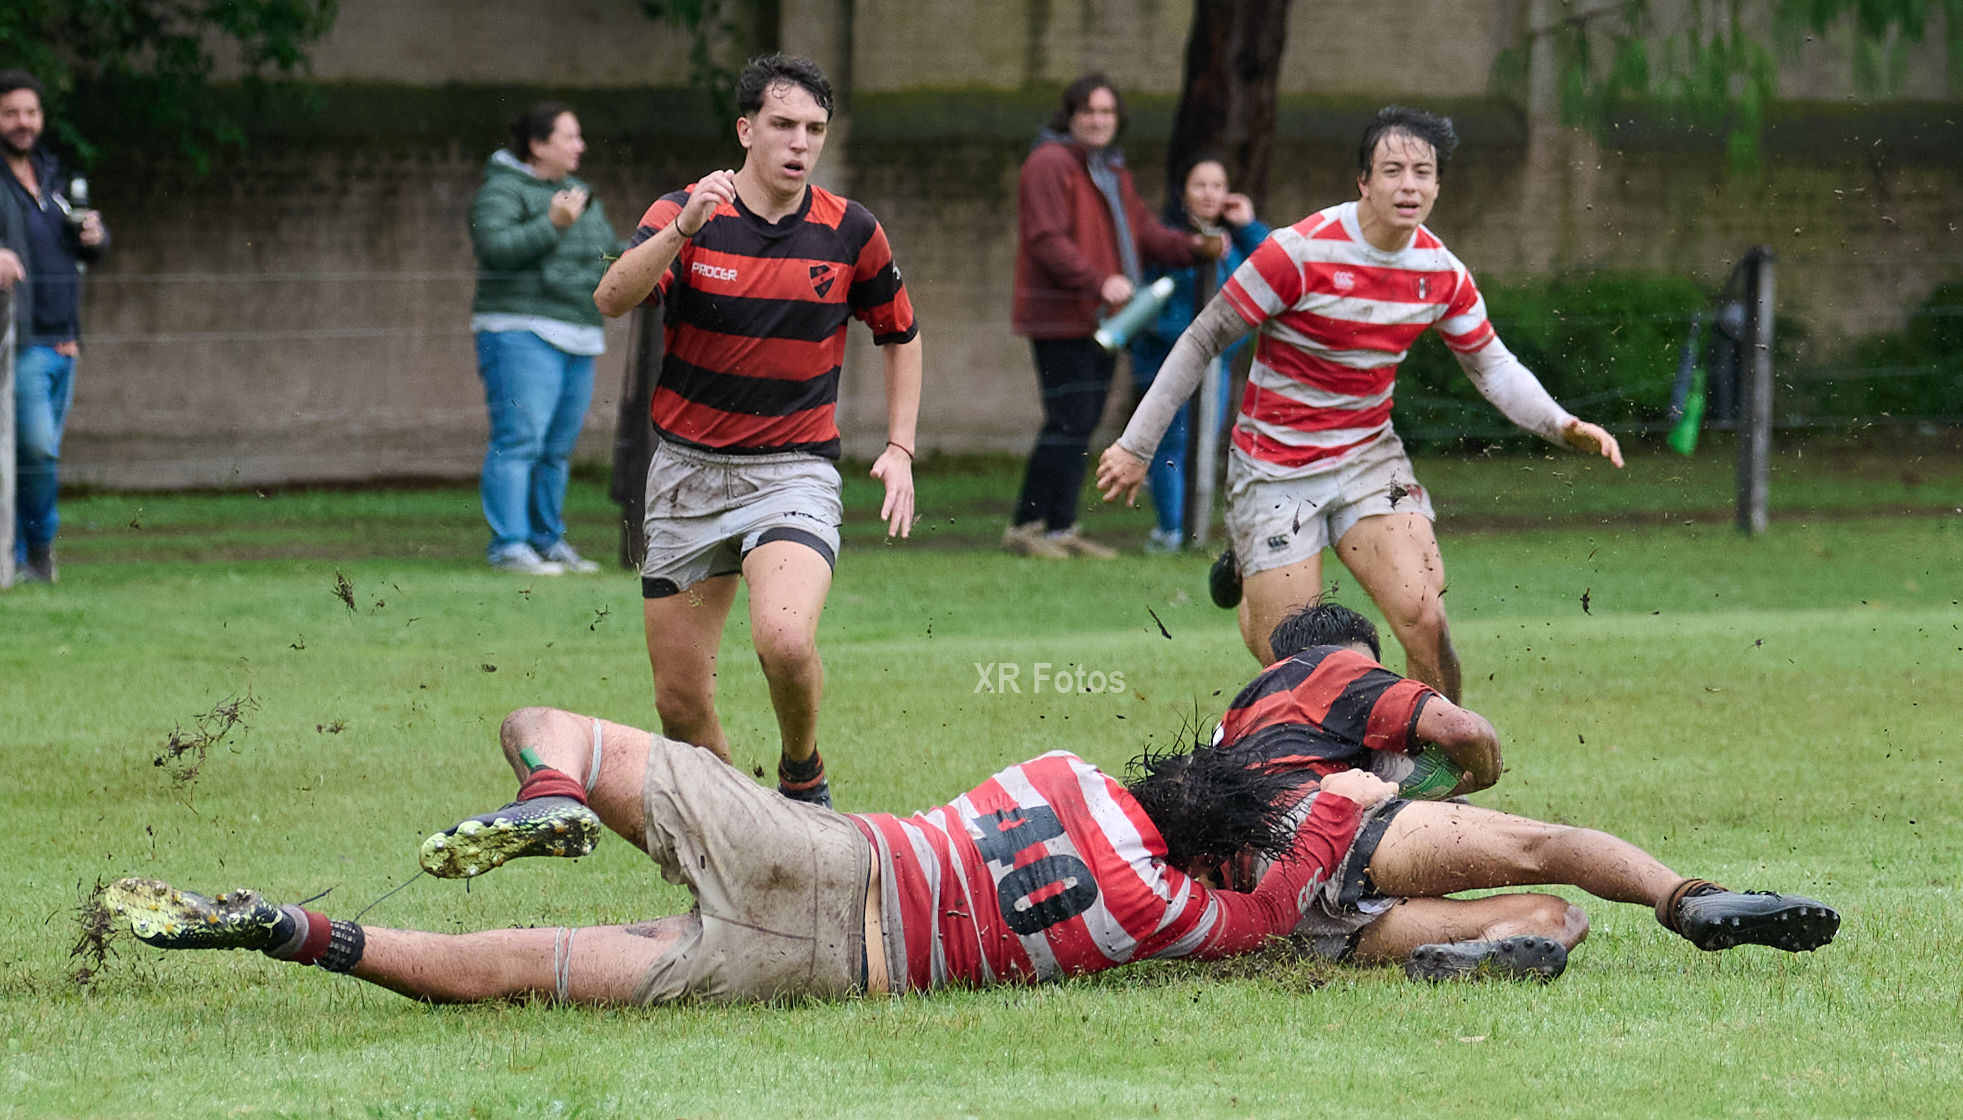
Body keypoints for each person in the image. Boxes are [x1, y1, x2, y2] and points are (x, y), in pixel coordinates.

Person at [100, 705, 1395, 1005]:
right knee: (507, 973)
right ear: (1213, 852)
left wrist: (1269, 765)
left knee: (540, 725)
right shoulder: (1165, 912)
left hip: (834, 850)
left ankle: (545, 797)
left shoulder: (1060, 771)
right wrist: (1349, 799)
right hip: (839, 966)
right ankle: (290, 930)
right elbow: (1279, 908)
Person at [1098, 106, 1627, 695]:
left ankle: (1436, 764)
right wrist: (1135, 445)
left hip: (1368, 459)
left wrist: (1561, 422)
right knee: (1298, 661)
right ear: (1364, 182)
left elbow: (1492, 365)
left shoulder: (1441, 272)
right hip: (1276, 467)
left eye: (1422, 173)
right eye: (1393, 170)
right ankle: (1252, 572)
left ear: (1436, 186)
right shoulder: (1296, 253)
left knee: (1426, 618)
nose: (1409, 185)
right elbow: (1202, 339)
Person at [592, 55, 922, 809]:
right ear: (746, 130)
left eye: (813, 129)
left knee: (783, 638)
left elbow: (900, 333)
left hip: (792, 472)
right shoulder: (687, 213)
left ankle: (801, 772)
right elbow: (612, 298)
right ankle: (746, 835)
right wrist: (681, 229)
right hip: (685, 474)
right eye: (782, 125)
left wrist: (900, 446)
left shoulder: (850, 230)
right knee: (679, 707)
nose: (799, 142)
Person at [1207, 600, 1841, 981]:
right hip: (1325, 828)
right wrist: (1479, 769)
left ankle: (1477, 960)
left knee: (1558, 920)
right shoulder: (1333, 667)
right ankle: (1690, 900)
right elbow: (1461, 728)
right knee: (1550, 846)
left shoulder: (1231, 724)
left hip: (1293, 917)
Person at [1004, 74, 1221, 561]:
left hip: (1105, 320)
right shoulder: (1050, 162)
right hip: (1063, 317)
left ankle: (1060, 528)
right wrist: (1099, 279)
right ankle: (1027, 526)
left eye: (1107, 113)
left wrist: (1193, 246)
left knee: (1081, 423)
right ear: (1071, 116)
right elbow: (1046, 238)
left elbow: (1143, 232)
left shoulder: (1108, 169)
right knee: (1067, 421)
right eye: (1089, 112)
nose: (1099, 121)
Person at [468, 102, 623, 575]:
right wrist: (551, 226)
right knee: (520, 441)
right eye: (569, 137)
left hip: (579, 333)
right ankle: (510, 547)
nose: (581, 146)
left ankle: (547, 540)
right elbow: (495, 250)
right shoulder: (501, 190)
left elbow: (606, 254)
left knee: (556, 448)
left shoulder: (580, 193)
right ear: (538, 145)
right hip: (519, 330)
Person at [1127, 153, 1270, 553]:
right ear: (1183, 192)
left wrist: (1248, 224)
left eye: (1217, 186)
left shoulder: (1234, 240)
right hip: (1167, 362)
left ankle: (1196, 530)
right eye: (1200, 185)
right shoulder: (1167, 243)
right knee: (1171, 443)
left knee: (1205, 442)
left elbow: (1277, 263)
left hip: (1218, 365)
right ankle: (1172, 530)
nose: (1209, 194)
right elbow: (1157, 309)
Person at [1, 71, 107, 584]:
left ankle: (24, 556)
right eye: (11, 113)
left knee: (37, 459)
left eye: (31, 113)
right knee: (37, 452)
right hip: (19, 344)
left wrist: (96, 235)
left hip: (66, 341)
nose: (23, 123)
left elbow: (90, 248)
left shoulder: (55, 178)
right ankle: (37, 550)